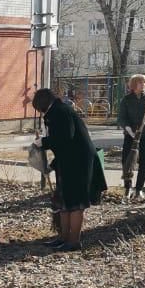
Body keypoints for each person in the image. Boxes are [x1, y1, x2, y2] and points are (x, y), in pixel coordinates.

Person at [32, 88, 107, 251]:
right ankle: (63, 237)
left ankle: (73, 241)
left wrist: (44, 142)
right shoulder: (56, 112)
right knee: (64, 201)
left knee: (75, 202)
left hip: (79, 162)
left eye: (39, 108)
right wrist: (53, 164)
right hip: (68, 160)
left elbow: (66, 137)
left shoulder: (61, 112)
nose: (39, 112)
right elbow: (64, 144)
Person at [117, 74, 145, 202]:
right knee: (127, 160)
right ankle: (127, 188)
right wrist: (128, 129)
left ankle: (139, 190)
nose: (143, 85)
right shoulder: (127, 99)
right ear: (133, 85)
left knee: (144, 162)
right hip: (131, 134)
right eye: (140, 82)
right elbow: (121, 118)